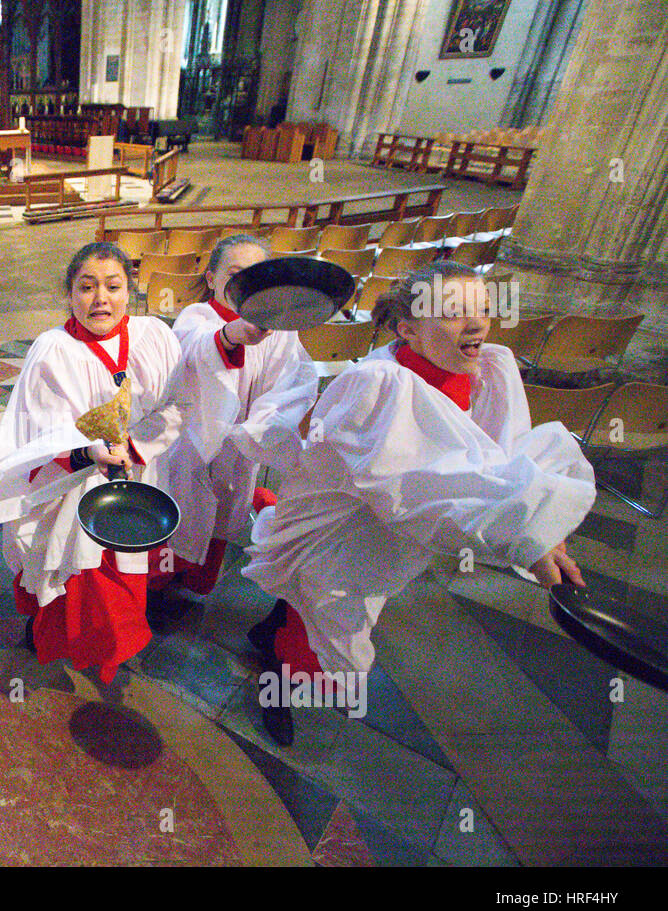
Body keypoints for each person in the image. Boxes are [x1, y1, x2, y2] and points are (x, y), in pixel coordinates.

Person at [241, 262, 594, 744]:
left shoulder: (491, 368)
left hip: (389, 539)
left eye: (484, 311)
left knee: (308, 609)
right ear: (408, 329)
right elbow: (420, 494)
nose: (477, 326)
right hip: (342, 533)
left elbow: (498, 461)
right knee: (318, 624)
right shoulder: (378, 385)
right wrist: (528, 541)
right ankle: (277, 685)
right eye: (454, 314)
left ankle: (269, 629)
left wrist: (545, 531)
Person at [0, 242, 185, 684]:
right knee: (68, 568)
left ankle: (106, 649)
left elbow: (179, 402)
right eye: (86, 287)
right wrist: (87, 452)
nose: (100, 298)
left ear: (131, 291)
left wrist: (137, 446)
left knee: (118, 575)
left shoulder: (154, 337)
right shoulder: (53, 349)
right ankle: (54, 635)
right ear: (69, 294)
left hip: (136, 473)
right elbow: (33, 432)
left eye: (112, 286)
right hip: (70, 484)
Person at [153, 235, 317, 595]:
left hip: (240, 450)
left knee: (220, 525)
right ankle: (161, 582)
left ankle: (198, 578)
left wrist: (260, 428)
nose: (246, 282)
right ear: (212, 278)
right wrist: (230, 335)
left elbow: (293, 383)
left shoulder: (278, 332)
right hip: (191, 449)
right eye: (235, 273)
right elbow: (192, 347)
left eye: (256, 274)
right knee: (176, 530)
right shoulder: (197, 317)